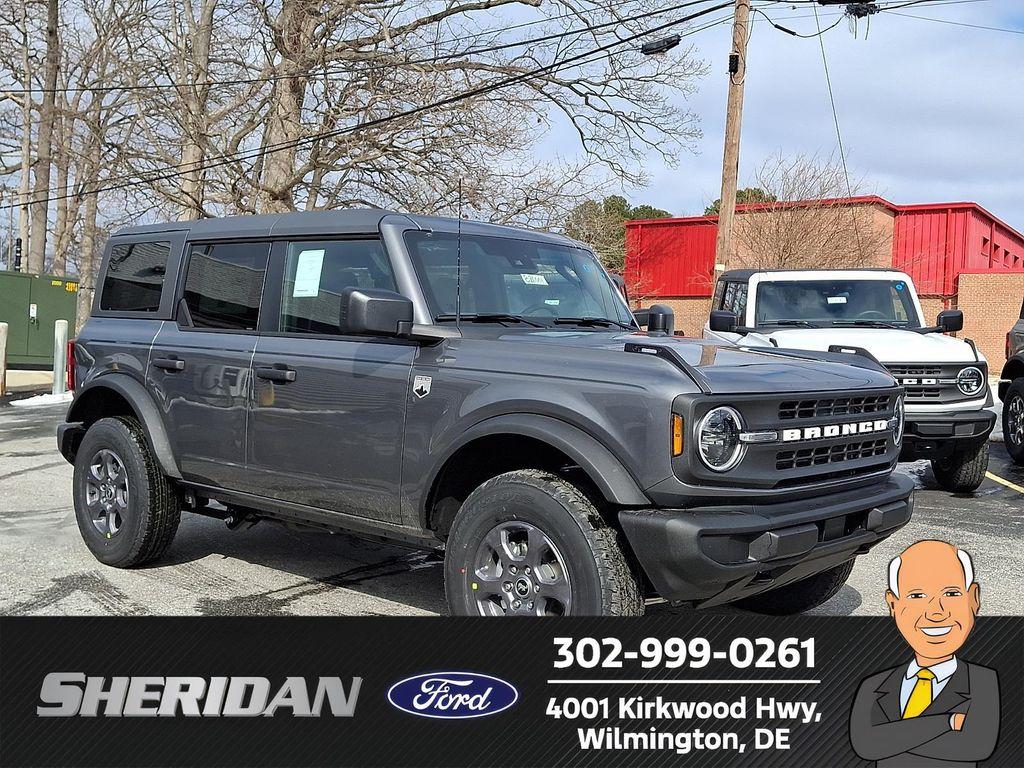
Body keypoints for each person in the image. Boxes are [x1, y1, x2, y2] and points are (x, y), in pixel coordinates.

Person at [849, 540, 1000, 767]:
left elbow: (976, 745)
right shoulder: (874, 685)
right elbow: (864, 745)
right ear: (893, 605)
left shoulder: (982, 681)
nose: (935, 612)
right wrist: (947, 722)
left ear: (974, 598)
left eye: (951, 593)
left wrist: (890, 739)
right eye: (917, 596)